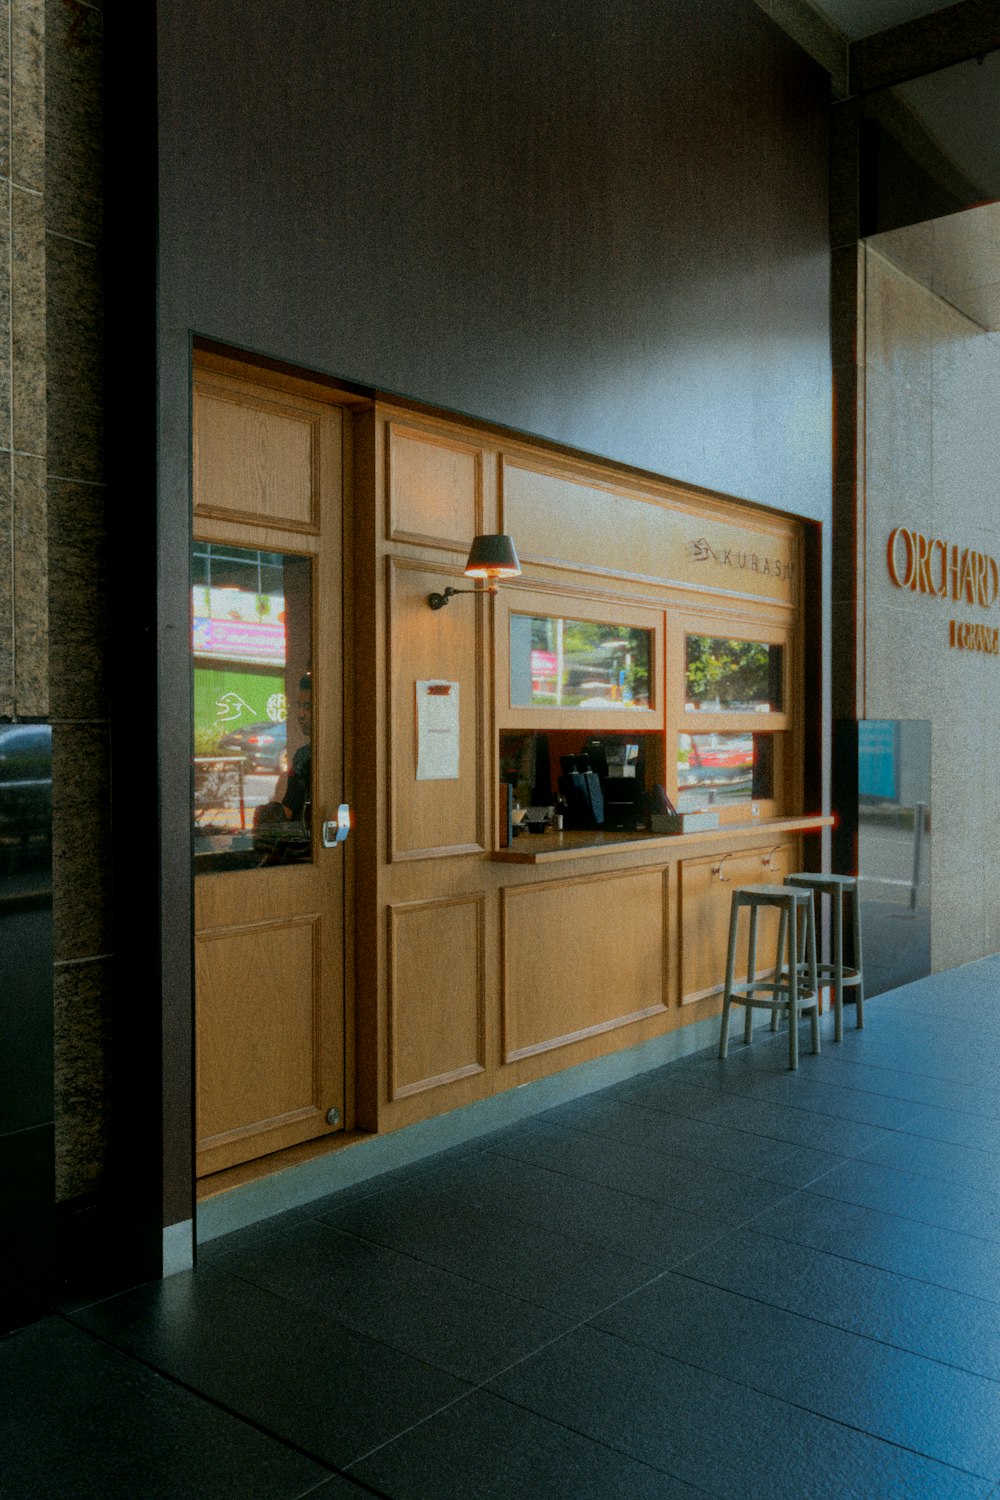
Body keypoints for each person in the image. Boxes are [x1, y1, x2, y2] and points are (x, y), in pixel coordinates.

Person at [253, 672, 311, 862]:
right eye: (300, 707)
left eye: (308, 707)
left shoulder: (311, 757)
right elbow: (290, 808)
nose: (301, 715)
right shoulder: (302, 756)